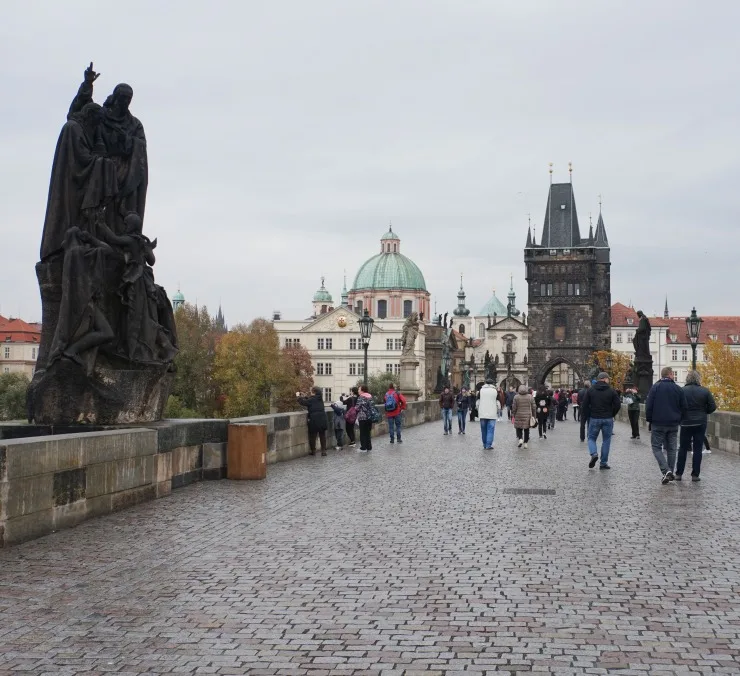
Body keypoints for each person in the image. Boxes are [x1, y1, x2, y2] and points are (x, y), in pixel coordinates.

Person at [646, 367, 687, 484]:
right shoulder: (678, 389)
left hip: (658, 423)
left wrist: (650, 420)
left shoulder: (655, 388)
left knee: (656, 447)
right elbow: (684, 407)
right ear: (669, 375)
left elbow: (649, 406)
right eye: (673, 374)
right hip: (673, 423)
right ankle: (669, 472)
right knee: (672, 449)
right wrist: (679, 419)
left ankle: (666, 471)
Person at [676, 370, 717, 481]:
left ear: (687, 379)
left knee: (683, 448)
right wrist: (704, 412)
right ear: (698, 379)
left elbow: (677, 406)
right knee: (698, 449)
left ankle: (679, 473)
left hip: (685, 423)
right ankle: (695, 475)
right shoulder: (705, 391)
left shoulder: (682, 391)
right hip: (700, 423)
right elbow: (713, 406)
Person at [581, 372, 621, 469]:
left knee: (591, 438)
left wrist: (589, 415)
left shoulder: (590, 390)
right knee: (606, 441)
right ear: (604, 379)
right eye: (608, 379)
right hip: (607, 418)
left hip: (594, 418)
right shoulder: (611, 391)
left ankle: (594, 453)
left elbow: (584, 405)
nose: (609, 380)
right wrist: (612, 414)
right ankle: (603, 463)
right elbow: (618, 405)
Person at [297, 387, 329, 456]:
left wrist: (298, 397)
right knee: (322, 435)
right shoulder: (320, 398)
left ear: (314, 392)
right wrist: (305, 396)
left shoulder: (312, 399)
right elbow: (310, 400)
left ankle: (313, 451)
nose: (310, 393)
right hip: (322, 418)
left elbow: (304, 402)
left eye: (311, 392)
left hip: (314, 419)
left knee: (312, 435)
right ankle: (323, 451)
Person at [477, 378, 499, 449]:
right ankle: (488, 445)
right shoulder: (495, 391)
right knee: (490, 429)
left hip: (482, 413)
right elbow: (498, 403)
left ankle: (484, 444)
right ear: (492, 384)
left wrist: (478, 409)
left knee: (483, 430)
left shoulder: (481, 390)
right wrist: (498, 410)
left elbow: (477, 402)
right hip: (492, 413)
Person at [356, 384, 377, 452]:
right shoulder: (370, 397)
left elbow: (357, 407)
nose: (358, 391)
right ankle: (369, 447)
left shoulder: (361, 397)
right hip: (369, 417)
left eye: (359, 389)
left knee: (363, 433)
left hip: (363, 417)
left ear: (362, 390)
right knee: (368, 433)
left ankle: (363, 448)